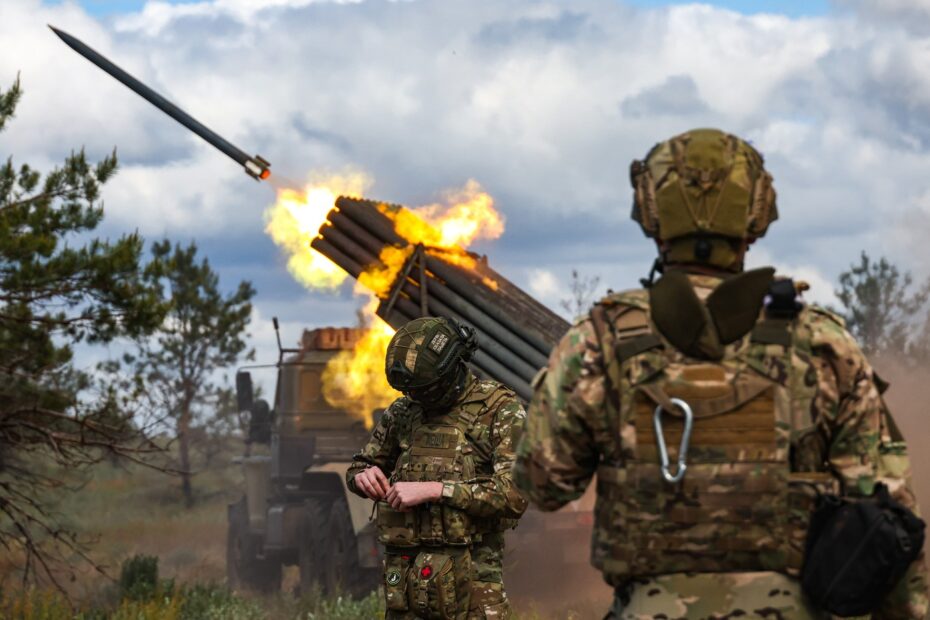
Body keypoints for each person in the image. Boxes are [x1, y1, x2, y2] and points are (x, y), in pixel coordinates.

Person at [512, 128, 929, 618]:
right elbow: (888, 510)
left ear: (651, 216)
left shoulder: (599, 341)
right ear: (756, 217)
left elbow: (543, 485)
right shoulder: (821, 343)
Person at [346, 316, 527, 619]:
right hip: (406, 589)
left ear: (451, 370)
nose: (417, 398)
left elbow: (515, 495)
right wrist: (362, 476)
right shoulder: (404, 412)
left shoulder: (500, 409)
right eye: (411, 392)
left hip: (473, 591)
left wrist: (436, 490)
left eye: (425, 390)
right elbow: (361, 465)